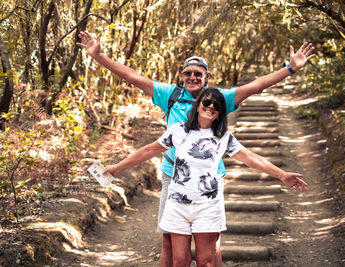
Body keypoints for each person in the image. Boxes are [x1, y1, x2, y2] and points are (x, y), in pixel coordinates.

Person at [76, 31, 315, 267]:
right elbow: (132, 77)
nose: (193, 77)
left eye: (198, 74)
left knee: (211, 246)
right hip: (174, 176)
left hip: (210, 179)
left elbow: (256, 86)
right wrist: (99, 56)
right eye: (188, 73)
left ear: (206, 76)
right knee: (169, 241)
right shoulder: (169, 96)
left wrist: (290, 69)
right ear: (181, 76)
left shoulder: (219, 99)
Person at [104, 88, 308, 267]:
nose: (211, 106)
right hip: (177, 205)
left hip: (207, 208)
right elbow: (149, 150)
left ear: (221, 113)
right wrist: (117, 167)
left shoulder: (224, 138)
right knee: (180, 261)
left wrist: (282, 175)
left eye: (217, 105)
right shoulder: (178, 131)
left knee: (206, 262)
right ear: (198, 104)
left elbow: (250, 158)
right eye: (207, 101)